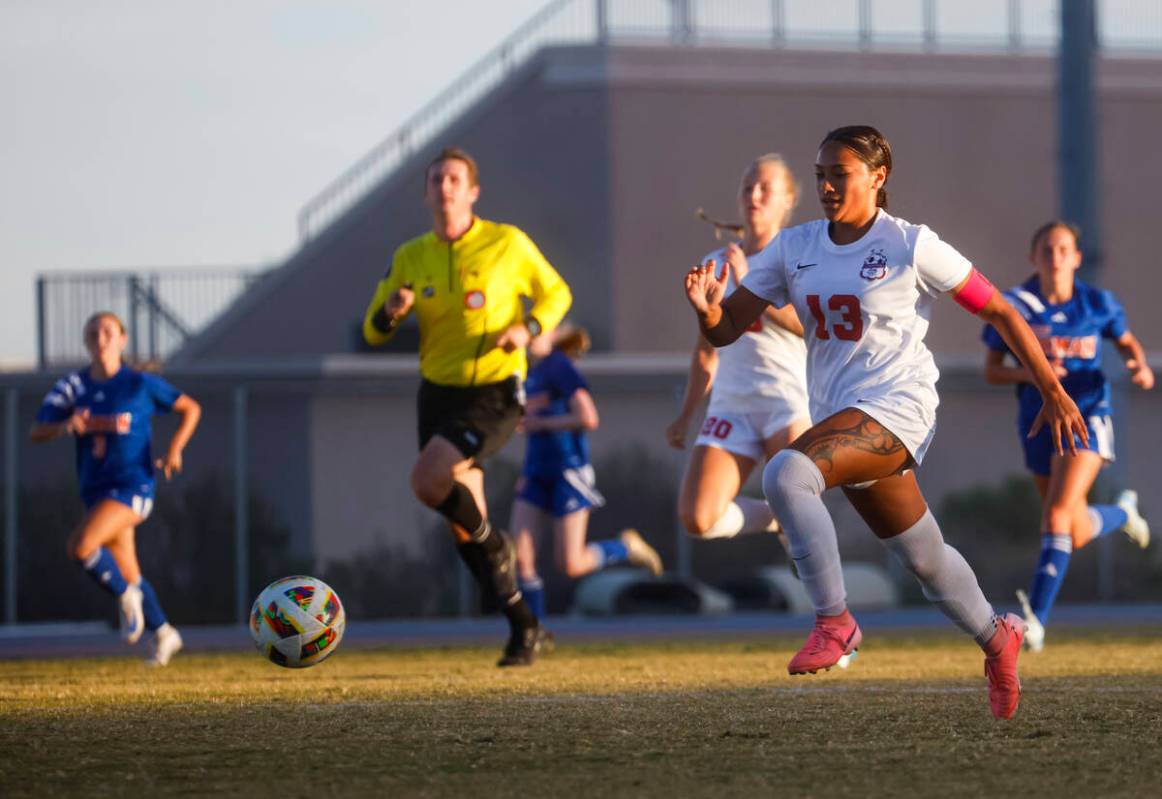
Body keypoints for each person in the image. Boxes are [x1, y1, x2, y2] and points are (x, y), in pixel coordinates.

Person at [684, 125, 1088, 719]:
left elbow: (999, 308)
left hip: (900, 407)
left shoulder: (910, 244)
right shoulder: (794, 247)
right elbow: (726, 329)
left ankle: (835, 620)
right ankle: (999, 638)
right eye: (819, 174)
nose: (825, 185)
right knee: (923, 557)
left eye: (838, 174)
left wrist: (1052, 388)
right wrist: (707, 311)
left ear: (878, 177)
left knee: (785, 475)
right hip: (841, 416)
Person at [362, 146, 572, 666]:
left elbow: (556, 293)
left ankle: (496, 544)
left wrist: (529, 327)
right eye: (436, 179)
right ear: (427, 193)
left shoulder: (506, 243)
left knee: (427, 481)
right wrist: (391, 312)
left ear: (472, 191)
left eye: (455, 178)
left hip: (494, 391)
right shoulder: (412, 256)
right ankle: (526, 629)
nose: (445, 187)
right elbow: (372, 328)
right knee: (464, 527)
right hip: (437, 393)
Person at [982, 220, 1153, 652]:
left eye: (1064, 249)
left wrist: (1139, 365)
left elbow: (1127, 342)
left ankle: (1034, 620)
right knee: (1071, 528)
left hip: (1088, 415)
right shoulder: (1015, 303)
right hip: (1038, 420)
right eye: (1047, 249)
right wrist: (1035, 373)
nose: (1055, 257)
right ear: (1032, 256)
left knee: (1056, 516)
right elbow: (992, 370)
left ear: (1077, 258)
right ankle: (1121, 515)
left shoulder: (1097, 303)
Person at [30, 311, 201, 666]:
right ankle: (165, 633)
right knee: (129, 569)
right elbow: (37, 430)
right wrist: (65, 425)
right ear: (86, 342)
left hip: (133, 486)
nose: (101, 337)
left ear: (122, 339)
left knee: (81, 546)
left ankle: (126, 598)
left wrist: (175, 449)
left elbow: (190, 408)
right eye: (93, 332)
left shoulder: (139, 383)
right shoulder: (74, 386)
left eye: (108, 331)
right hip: (95, 489)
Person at [666, 155, 810, 553]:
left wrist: (750, 284)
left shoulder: (797, 256)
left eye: (766, 188)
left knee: (801, 502)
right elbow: (706, 350)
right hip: (731, 404)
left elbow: (807, 325)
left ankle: (832, 607)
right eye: (748, 187)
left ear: (788, 200)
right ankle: (771, 519)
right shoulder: (716, 264)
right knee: (697, 518)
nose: (755, 195)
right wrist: (687, 413)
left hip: (787, 401)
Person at [512, 325, 663, 620]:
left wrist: (542, 425)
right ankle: (532, 634)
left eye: (537, 330)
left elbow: (588, 417)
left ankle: (624, 548)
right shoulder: (530, 371)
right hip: (535, 470)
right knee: (521, 559)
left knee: (570, 564)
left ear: (553, 333)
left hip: (568, 470)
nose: (530, 338)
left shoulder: (559, 366)